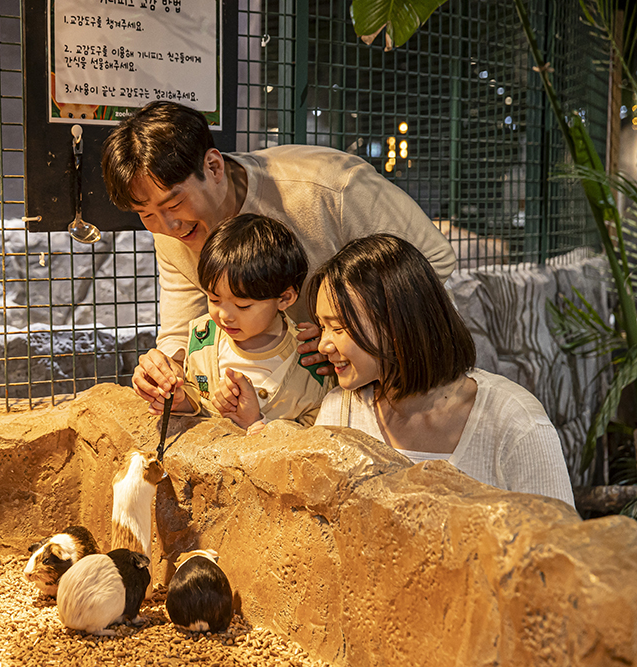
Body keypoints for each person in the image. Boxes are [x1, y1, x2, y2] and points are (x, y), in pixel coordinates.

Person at [101, 101, 456, 411]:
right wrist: (166, 368)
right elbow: (182, 327)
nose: (168, 226)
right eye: (145, 214)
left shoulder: (327, 186)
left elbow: (433, 263)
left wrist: (343, 333)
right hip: (299, 394)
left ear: (213, 167)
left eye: (174, 203)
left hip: (402, 377)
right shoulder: (172, 230)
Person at [307, 233, 575, 507]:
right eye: (322, 326)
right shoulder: (340, 413)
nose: (324, 344)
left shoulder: (514, 422)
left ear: (396, 323)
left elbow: (558, 540)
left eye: (338, 328)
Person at [157, 214, 329, 434]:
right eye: (214, 299)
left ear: (285, 299)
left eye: (243, 305)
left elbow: (317, 437)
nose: (225, 316)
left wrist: (258, 423)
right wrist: (180, 400)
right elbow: (195, 391)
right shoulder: (204, 337)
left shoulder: (310, 360)